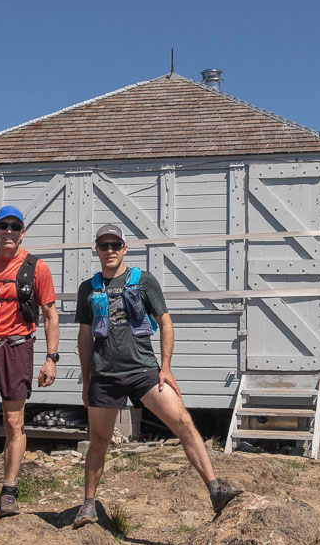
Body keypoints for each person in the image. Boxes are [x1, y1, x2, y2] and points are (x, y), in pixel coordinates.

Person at [73, 224, 241, 528]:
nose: (109, 250)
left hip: (143, 371)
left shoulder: (144, 281)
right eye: (103, 245)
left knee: (183, 422)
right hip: (104, 375)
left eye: (115, 245)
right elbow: (84, 338)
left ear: (124, 248)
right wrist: (86, 381)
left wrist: (165, 367)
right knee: (99, 440)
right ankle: (88, 505)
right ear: (96, 249)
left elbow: (165, 322)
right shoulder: (88, 288)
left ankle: (215, 489)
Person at [0, 206, 60, 517]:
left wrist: (50, 359)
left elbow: (51, 316)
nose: (9, 231)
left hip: (17, 349)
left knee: (13, 422)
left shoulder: (36, 268)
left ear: (22, 232)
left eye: (15, 226)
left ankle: (9, 489)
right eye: (3, 226)